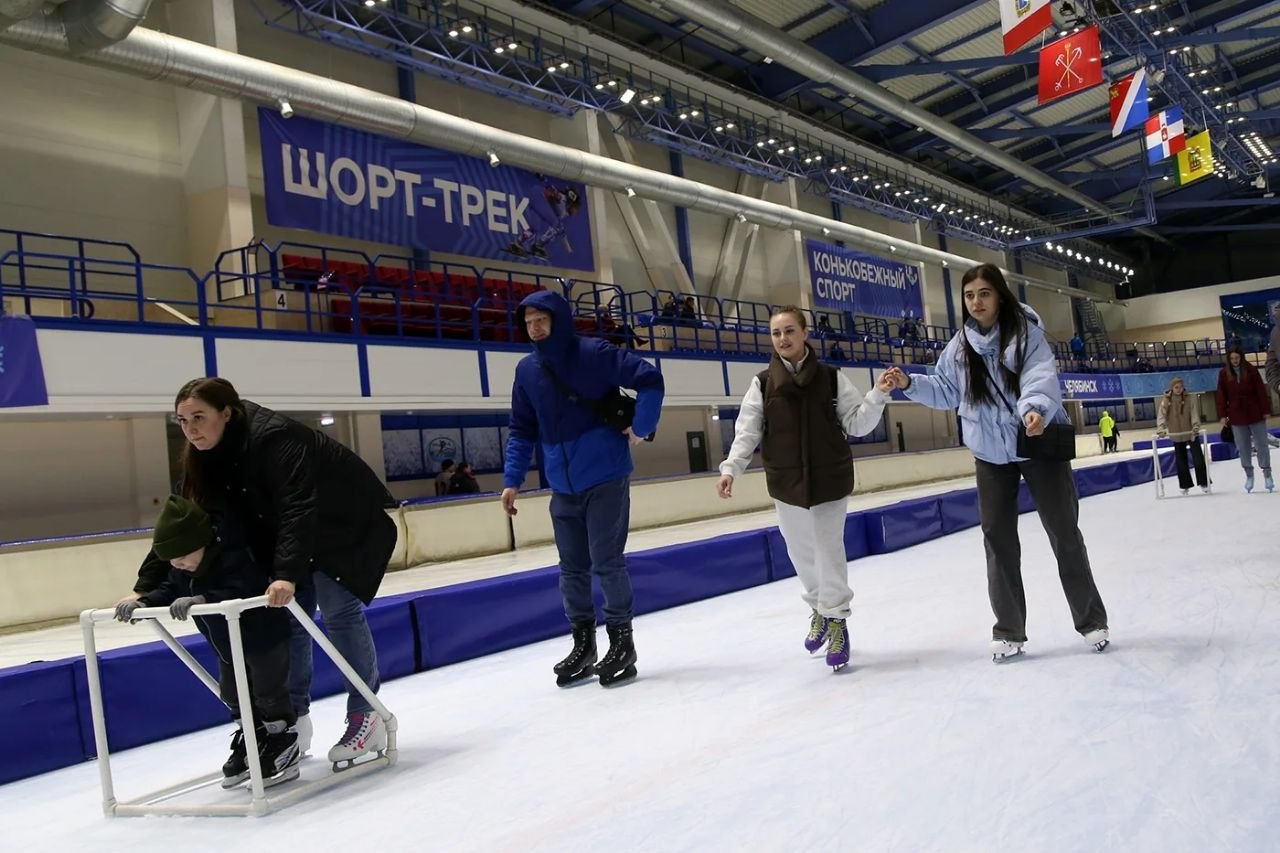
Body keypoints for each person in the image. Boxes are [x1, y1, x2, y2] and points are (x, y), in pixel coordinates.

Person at [128, 377, 399, 770]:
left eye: (199, 417)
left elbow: (298, 505)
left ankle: (366, 714)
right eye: (182, 421)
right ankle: (295, 723)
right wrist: (144, 588)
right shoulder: (200, 456)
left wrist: (286, 573)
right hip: (291, 532)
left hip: (343, 525)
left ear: (227, 413)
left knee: (338, 613)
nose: (191, 429)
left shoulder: (275, 437)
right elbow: (181, 522)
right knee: (288, 619)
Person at [883, 263, 1109, 663]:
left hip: (1035, 443)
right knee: (998, 540)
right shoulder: (959, 346)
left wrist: (1035, 410)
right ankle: (1009, 630)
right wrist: (909, 384)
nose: (976, 302)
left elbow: (1040, 376)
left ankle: (1091, 621)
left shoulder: (1026, 335)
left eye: (984, 293)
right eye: (970, 296)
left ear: (999, 295)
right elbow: (945, 390)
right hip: (989, 453)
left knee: (1063, 532)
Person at [501, 290, 665, 688]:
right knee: (571, 567)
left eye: (542, 320)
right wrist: (512, 479)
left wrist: (641, 427)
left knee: (606, 561)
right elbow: (522, 429)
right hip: (562, 485)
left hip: (606, 474)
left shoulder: (593, 353)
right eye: (528, 322)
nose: (535, 328)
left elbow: (650, 379)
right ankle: (583, 644)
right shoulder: (526, 371)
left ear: (558, 319)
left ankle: (621, 643)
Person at [717, 306, 892, 672]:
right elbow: (747, 432)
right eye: (777, 333)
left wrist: (876, 394)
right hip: (786, 483)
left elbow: (857, 423)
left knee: (829, 552)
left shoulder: (831, 378)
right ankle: (819, 610)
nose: (783, 339)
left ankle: (837, 619)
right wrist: (732, 468)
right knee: (801, 554)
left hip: (829, 479)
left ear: (804, 333)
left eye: (790, 331)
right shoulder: (762, 384)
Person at [116, 496, 300, 789]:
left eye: (184, 556)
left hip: (263, 640)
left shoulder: (233, 558)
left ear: (202, 541)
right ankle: (252, 738)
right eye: (173, 561)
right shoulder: (183, 571)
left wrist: (203, 599)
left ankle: (282, 742)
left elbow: (241, 587)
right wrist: (144, 603)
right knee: (231, 693)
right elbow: (167, 588)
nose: (180, 564)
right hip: (228, 647)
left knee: (269, 692)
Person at [1216, 347, 1273, 492]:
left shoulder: (1251, 370)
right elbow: (1221, 396)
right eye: (1232, 358)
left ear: (1241, 357)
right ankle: (1249, 475)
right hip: (1237, 416)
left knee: (1262, 445)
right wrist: (1222, 415)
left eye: (1237, 358)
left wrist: (1266, 410)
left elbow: (1261, 391)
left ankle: (1267, 474)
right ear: (1229, 360)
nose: (1235, 361)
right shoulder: (1224, 374)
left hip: (1255, 413)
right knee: (1243, 448)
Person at [1157, 377, 1208, 495]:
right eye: (1176, 387)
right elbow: (1162, 415)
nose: (1179, 389)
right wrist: (1161, 428)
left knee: (1198, 458)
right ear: (1172, 388)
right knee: (1181, 461)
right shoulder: (1166, 400)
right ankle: (1185, 485)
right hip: (1176, 433)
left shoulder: (1189, 398)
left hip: (1190, 433)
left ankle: (1204, 482)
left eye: (1180, 387)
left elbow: (1194, 413)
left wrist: (1196, 426)